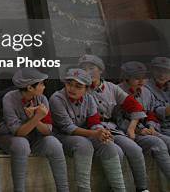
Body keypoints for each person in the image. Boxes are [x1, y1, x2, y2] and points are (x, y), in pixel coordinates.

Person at [79, 54, 154, 192]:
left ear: (100, 70)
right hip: (90, 130)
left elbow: (135, 106)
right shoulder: (79, 88)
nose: (88, 71)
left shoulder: (111, 88)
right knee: (116, 152)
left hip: (112, 128)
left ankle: (142, 189)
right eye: (84, 69)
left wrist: (131, 128)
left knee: (135, 149)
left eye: (91, 68)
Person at [50, 68, 126, 192]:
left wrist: (102, 132)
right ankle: (84, 189)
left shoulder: (89, 98)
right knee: (83, 144)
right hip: (62, 136)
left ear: (86, 89)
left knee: (108, 144)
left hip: (85, 134)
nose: (72, 89)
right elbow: (67, 127)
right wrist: (95, 133)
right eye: (69, 84)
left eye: (78, 86)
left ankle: (119, 189)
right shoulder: (57, 98)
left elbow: (94, 122)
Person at [0, 67, 69, 192]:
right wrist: (36, 118)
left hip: (34, 138)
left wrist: (37, 118)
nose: (44, 87)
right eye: (41, 84)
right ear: (30, 87)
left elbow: (47, 131)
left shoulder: (42, 99)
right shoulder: (9, 98)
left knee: (53, 143)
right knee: (21, 144)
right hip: (11, 138)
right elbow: (18, 132)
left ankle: (63, 189)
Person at [119, 61, 170, 149]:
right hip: (127, 131)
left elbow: (150, 113)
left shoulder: (146, 92)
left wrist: (151, 127)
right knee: (158, 144)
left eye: (144, 77)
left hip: (147, 129)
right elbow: (119, 119)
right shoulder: (118, 92)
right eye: (137, 78)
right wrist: (139, 130)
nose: (142, 81)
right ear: (127, 78)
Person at [145, 57, 170, 135]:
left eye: (166, 71)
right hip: (159, 128)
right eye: (158, 70)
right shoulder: (145, 87)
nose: (162, 74)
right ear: (152, 70)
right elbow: (154, 112)